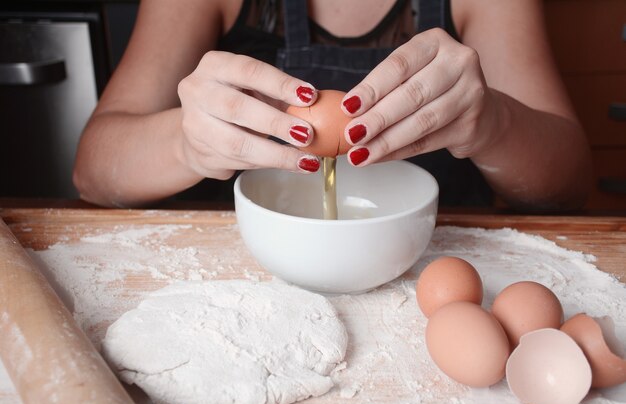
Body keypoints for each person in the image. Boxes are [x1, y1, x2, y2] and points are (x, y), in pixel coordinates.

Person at [73, 0, 592, 210]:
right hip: (245, 286)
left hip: (427, 276)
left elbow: (569, 186)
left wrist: (494, 123)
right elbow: (93, 171)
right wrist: (186, 145)